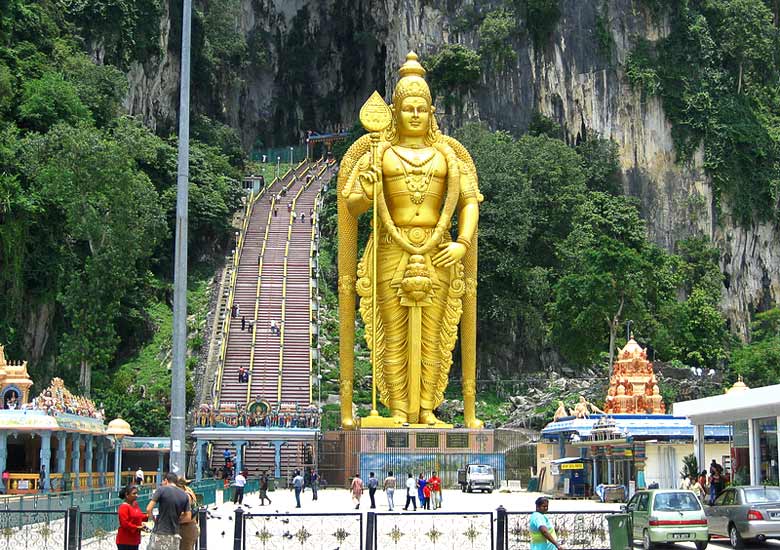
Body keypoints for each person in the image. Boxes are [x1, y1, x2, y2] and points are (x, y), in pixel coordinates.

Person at [337, 52, 483, 428]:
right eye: (407, 108)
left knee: (434, 334)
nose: (415, 115)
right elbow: (351, 206)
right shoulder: (379, 153)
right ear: (395, 112)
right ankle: (398, 408)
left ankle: (427, 409)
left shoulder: (448, 155)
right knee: (393, 332)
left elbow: (469, 202)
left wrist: (462, 243)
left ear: (431, 111)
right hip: (390, 248)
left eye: (421, 108)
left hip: (439, 251)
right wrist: (367, 188)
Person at [145, 472, 191, 550]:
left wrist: (153, 519)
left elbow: (149, 509)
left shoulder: (161, 490)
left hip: (160, 532)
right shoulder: (184, 495)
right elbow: (188, 517)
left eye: (162, 481)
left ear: (166, 480)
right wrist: (176, 521)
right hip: (175, 534)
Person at [116, 484, 148, 550]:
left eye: (137, 493)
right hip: (125, 541)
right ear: (127, 495)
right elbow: (125, 524)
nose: (136, 495)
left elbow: (139, 516)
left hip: (135, 540)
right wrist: (137, 527)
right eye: (134, 493)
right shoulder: (124, 507)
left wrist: (148, 517)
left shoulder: (135, 504)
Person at [175, 477, 199, 550]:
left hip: (186, 529)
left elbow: (186, 516)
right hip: (191, 528)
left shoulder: (185, 496)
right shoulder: (189, 491)